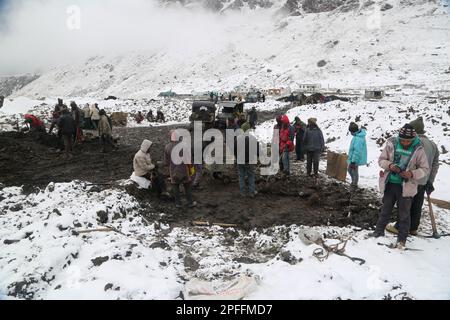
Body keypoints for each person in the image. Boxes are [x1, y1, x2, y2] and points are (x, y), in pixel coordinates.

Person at [369, 124, 430, 249]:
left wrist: (411, 173)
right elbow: (381, 160)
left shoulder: (419, 149)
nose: (405, 142)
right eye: (403, 140)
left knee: (404, 214)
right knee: (385, 209)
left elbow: (425, 169)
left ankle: (402, 240)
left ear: (413, 139)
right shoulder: (392, 144)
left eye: (408, 141)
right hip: (390, 183)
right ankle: (378, 231)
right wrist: (390, 165)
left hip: (407, 187)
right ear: (399, 137)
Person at [386, 117, 440, 236]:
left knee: (405, 203)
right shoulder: (432, 145)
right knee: (417, 204)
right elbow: (435, 165)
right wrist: (430, 181)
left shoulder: (415, 144)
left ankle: (400, 226)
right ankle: (413, 228)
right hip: (424, 179)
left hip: (411, 178)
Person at [164, 130, 196, 208]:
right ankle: (190, 202)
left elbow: (166, 162)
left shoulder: (167, 147)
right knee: (187, 186)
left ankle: (178, 203)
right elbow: (189, 159)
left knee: (175, 186)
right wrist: (191, 169)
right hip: (184, 170)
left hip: (173, 170)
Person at [234, 122, 259, 197]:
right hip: (249, 161)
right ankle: (251, 192)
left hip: (240, 161)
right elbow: (257, 151)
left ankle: (242, 192)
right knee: (251, 176)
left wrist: (236, 157)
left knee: (241, 176)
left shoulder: (237, 138)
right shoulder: (253, 138)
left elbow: (234, 150)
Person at [347, 122, 368, 188]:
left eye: (351, 132)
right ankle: (354, 182)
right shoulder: (358, 135)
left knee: (353, 171)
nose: (351, 133)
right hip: (354, 157)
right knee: (351, 170)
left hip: (356, 159)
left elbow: (357, 151)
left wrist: (353, 161)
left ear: (354, 131)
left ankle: (354, 184)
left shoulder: (358, 138)